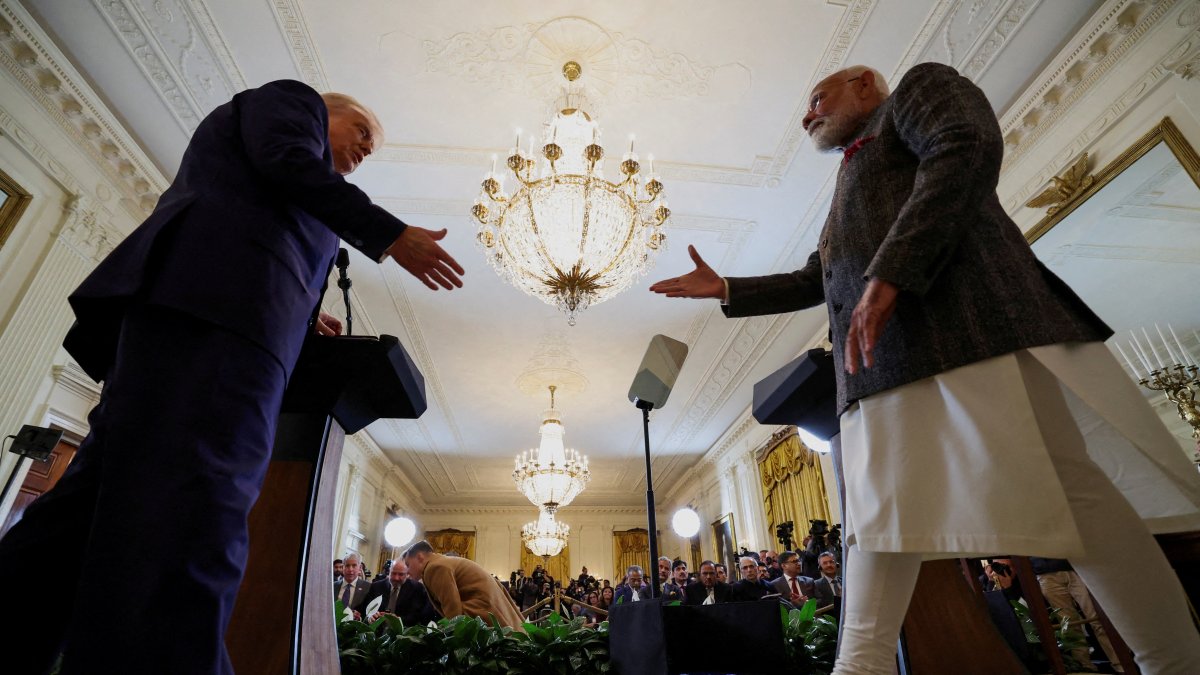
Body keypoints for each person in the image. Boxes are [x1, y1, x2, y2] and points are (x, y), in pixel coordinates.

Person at [650, 62, 1200, 674]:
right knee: (876, 526)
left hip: (970, 335)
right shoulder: (844, 187)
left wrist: (891, 274)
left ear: (863, 85)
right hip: (880, 372)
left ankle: (1175, 661)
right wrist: (727, 285)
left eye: (816, 98)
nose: (808, 116)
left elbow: (964, 145)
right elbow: (817, 277)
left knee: (1076, 497)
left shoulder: (918, 89)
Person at [0, 80, 464, 675]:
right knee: (204, 506)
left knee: (81, 517)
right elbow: (287, 165)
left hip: (208, 322)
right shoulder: (292, 101)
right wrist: (391, 234)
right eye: (363, 133)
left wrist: (298, 316)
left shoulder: (316, 192)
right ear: (325, 111)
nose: (367, 150)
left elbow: (273, 233)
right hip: (214, 318)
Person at [402, 540, 524, 630]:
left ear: (420, 557)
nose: (407, 571)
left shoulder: (435, 567)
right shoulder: (442, 562)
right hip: (494, 611)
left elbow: (453, 611)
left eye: (408, 564)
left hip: (483, 616)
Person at [363, 559, 439, 627]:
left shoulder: (417, 589)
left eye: (401, 574)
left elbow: (417, 616)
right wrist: (371, 617)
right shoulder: (376, 586)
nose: (396, 578)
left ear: (407, 574)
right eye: (393, 573)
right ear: (389, 572)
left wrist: (398, 620)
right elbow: (365, 610)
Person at [335, 552, 372, 620]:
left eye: (354, 565)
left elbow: (369, 614)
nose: (350, 569)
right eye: (347, 565)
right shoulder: (333, 586)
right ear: (343, 567)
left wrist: (359, 618)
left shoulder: (368, 587)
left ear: (360, 567)